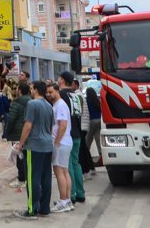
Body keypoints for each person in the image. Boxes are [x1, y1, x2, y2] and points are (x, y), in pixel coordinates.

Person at [13, 81, 54, 220]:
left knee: (32, 178)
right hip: (48, 145)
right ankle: (44, 208)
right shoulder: (49, 105)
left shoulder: (32, 104)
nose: (30, 91)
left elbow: (28, 125)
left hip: (34, 145)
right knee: (46, 177)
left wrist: (21, 143)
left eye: (31, 88)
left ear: (36, 90)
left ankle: (32, 209)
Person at [58, 71, 85, 204]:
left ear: (62, 80)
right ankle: (80, 193)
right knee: (76, 163)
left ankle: (72, 194)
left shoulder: (61, 95)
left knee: (67, 166)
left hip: (67, 134)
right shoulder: (76, 95)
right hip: (77, 133)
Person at [46, 83, 73, 213]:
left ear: (57, 91)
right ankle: (67, 200)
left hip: (61, 143)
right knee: (64, 171)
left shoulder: (60, 105)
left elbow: (62, 125)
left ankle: (63, 201)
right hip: (64, 142)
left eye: (51, 92)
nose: (48, 94)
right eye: (47, 92)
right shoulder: (57, 104)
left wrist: (56, 142)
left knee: (59, 172)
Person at [5, 82, 31, 188]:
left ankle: (21, 178)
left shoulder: (16, 103)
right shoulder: (32, 101)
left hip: (17, 133)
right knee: (26, 156)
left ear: (19, 90)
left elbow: (11, 119)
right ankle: (26, 177)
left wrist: (8, 131)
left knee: (19, 156)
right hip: (29, 133)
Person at [85, 86, 102, 164]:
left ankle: (86, 154)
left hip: (91, 121)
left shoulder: (87, 101)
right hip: (99, 120)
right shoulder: (97, 100)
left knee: (88, 138)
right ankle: (101, 155)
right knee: (98, 138)